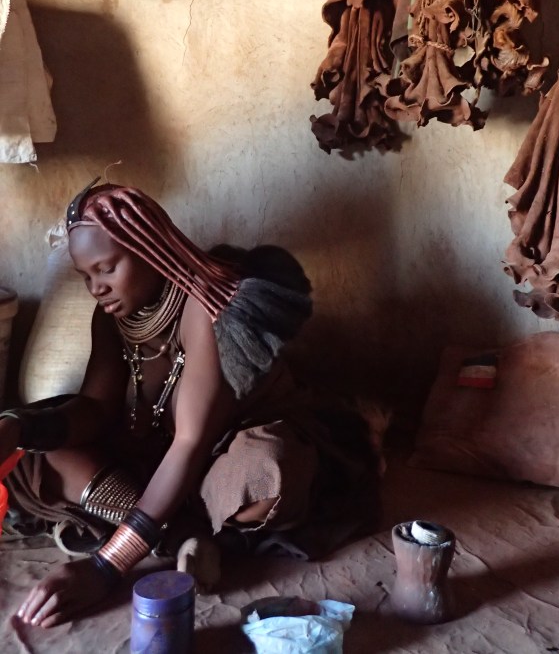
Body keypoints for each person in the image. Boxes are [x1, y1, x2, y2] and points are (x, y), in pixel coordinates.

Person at [0, 181, 378, 628]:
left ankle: (167, 523)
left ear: (150, 250)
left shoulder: (207, 304)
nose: (97, 288)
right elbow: (97, 409)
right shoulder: (113, 317)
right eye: (86, 276)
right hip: (153, 450)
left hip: (220, 452)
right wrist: (20, 426)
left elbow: (191, 441)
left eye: (107, 268)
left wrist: (105, 567)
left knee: (264, 476)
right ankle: (182, 534)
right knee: (40, 454)